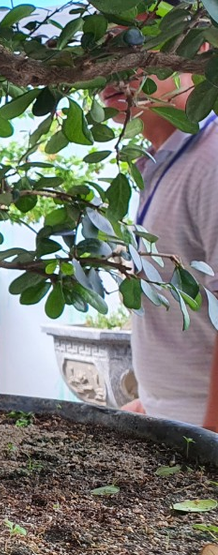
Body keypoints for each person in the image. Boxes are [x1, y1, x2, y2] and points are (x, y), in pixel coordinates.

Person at [100, 4, 218, 429]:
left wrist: (208, 448)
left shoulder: (213, 160)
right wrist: (152, 406)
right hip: (175, 421)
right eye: (102, 51)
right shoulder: (162, 160)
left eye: (134, 45)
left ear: (197, 50)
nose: (113, 68)